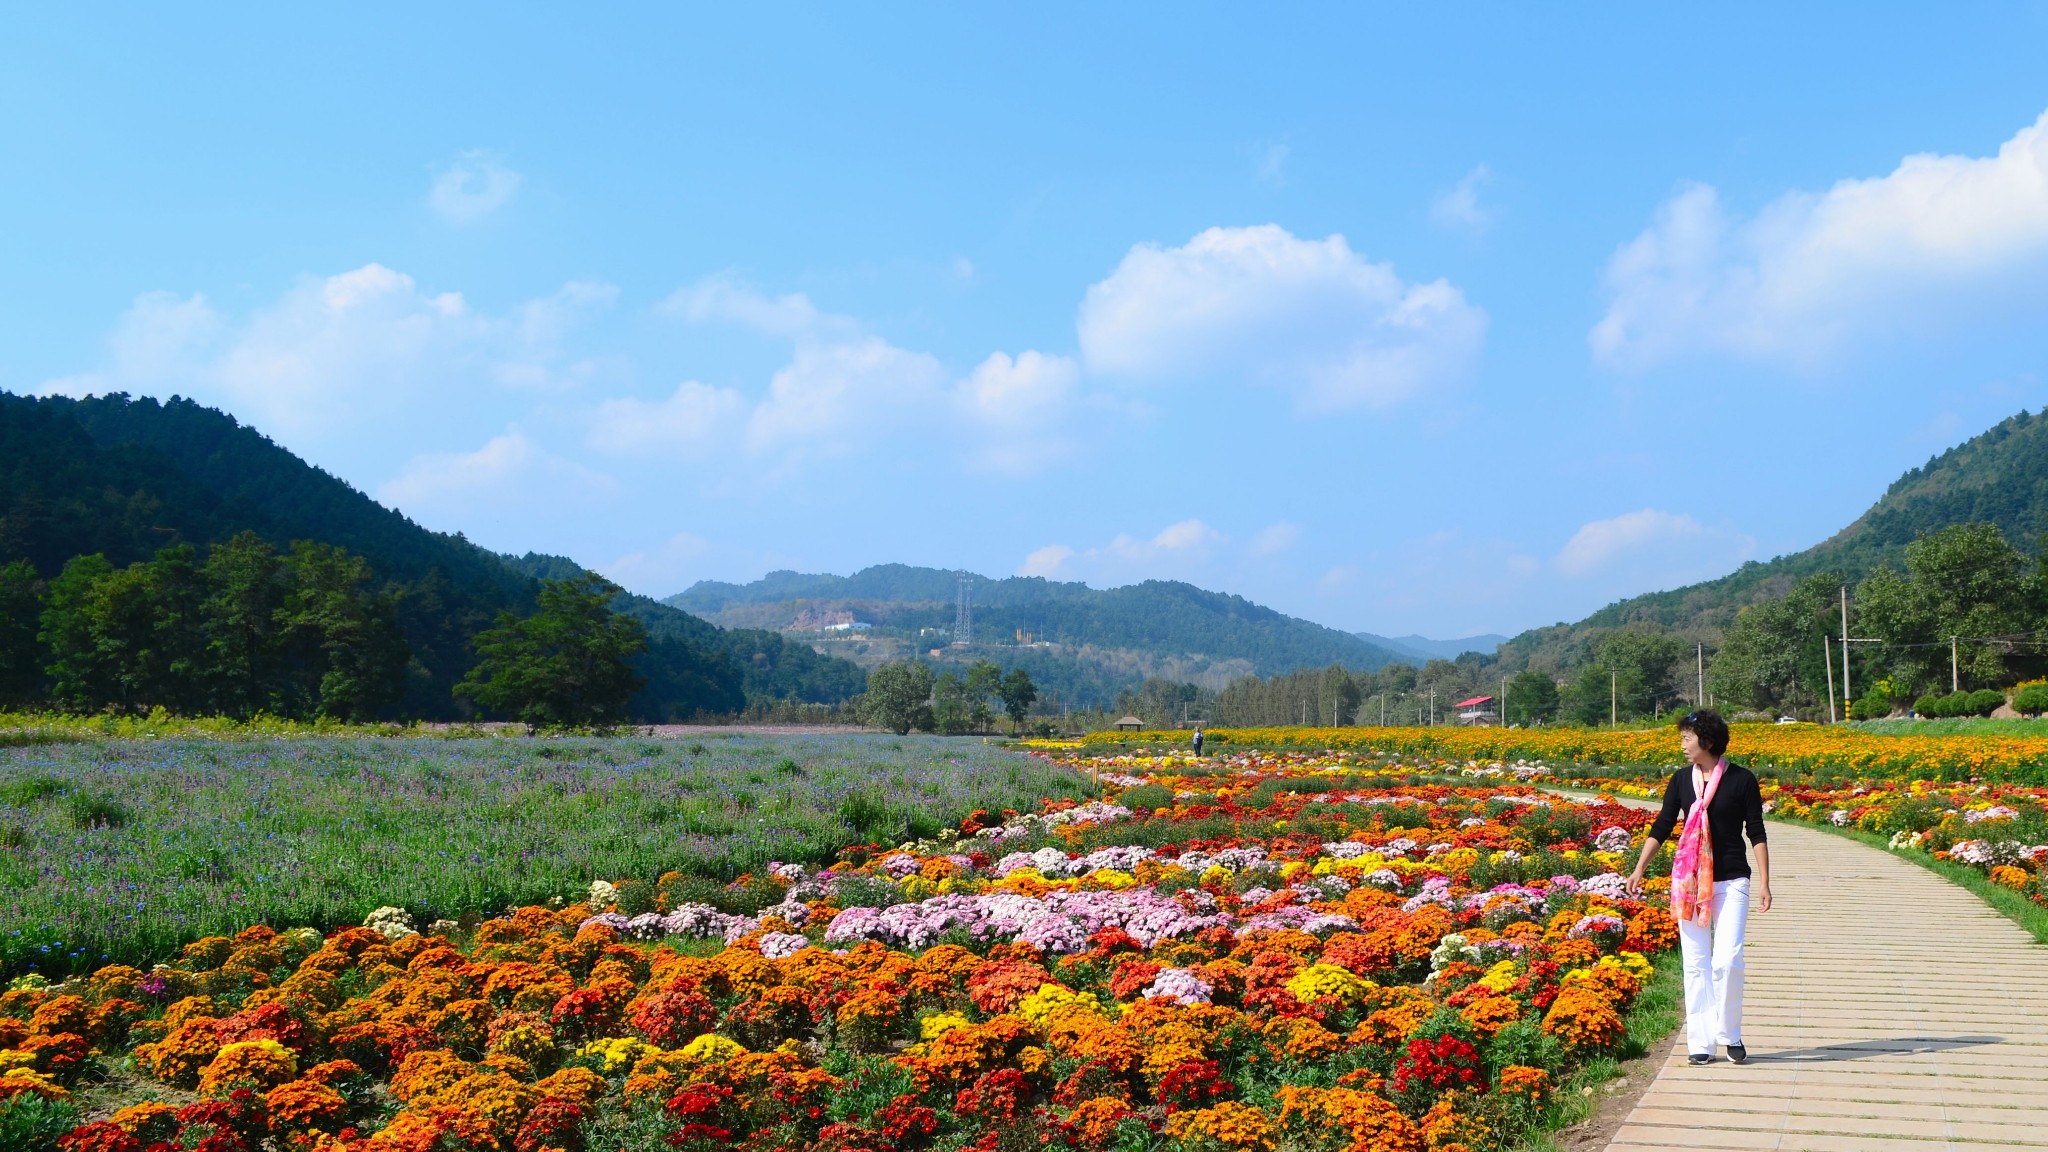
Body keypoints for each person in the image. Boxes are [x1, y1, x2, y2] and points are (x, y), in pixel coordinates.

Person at [1624, 709, 1771, 1066]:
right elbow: (1662, 826)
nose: (1682, 745)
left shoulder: (1742, 780)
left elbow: (1756, 830)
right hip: (1689, 881)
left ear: (1706, 740)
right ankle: (1701, 1042)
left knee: (1728, 960)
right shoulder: (1679, 781)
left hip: (1733, 879)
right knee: (1695, 963)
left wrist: (1765, 881)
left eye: (1686, 738)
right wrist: (1639, 868)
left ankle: (1729, 1033)